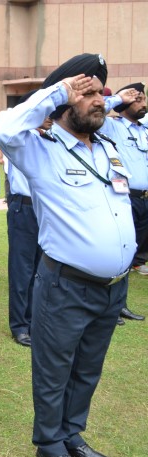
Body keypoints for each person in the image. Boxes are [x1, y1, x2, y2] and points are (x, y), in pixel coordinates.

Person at [0, 53, 134, 457]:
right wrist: (55, 91)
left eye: (100, 93)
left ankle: (73, 433)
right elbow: (0, 129)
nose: (98, 101)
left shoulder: (109, 148)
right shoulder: (39, 149)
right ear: (64, 103)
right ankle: (50, 444)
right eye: (87, 93)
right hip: (65, 285)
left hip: (112, 286)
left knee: (88, 368)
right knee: (54, 370)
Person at [99, 82, 148, 322]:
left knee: (134, 253)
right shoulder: (112, 125)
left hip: (145, 200)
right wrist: (117, 98)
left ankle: (121, 303)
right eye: (137, 99)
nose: (143, 103)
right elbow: (99, 111)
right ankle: (111, 306)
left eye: (143, 98)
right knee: (121, 251)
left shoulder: (144, 129)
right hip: (125, 198)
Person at [4, 91, 47, 347]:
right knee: (22, 270)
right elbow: (5, 122)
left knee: (41, 269)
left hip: (44, 209)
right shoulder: (18, 138)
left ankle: (34, 320)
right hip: (24, 208)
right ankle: (20, 325)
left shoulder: (48, 139)